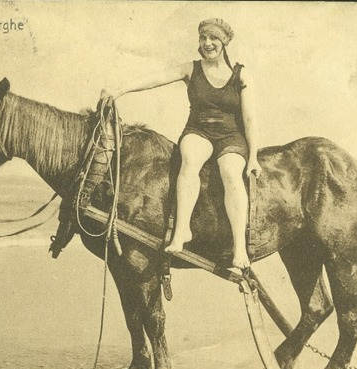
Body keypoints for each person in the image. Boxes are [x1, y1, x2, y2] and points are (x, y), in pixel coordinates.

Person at [108, 17, 260, 272]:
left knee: (231, 173)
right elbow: (155, 78)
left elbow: (250, 118)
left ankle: (239, 248)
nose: (207, 43)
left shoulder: (241, 75)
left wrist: (253, 156)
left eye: (213, 38)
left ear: (223, 42)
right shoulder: (191, 69)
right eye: (203, 38)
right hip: (198, 130)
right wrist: (119, 90)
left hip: (230, 135)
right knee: (189, 161)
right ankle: (181, 232)